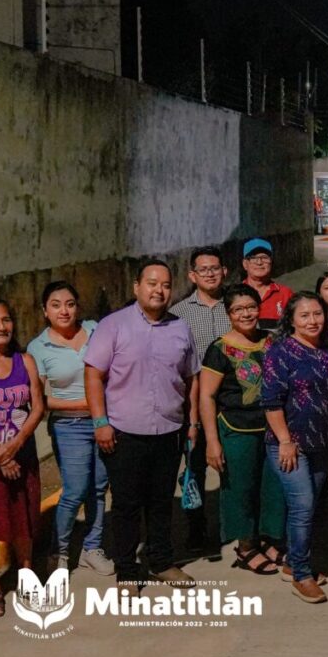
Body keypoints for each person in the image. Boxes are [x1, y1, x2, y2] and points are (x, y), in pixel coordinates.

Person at [84, 259, 200, 591]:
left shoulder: (181, 328)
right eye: (152, 283)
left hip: (169, 430)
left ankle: (161, 562)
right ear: (137, 287)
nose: (159, 290)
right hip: (123, 433)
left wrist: (192, 422)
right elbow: (93, 375)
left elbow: (191, 378)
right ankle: (127, 569)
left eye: (165, 284)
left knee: (161, 502)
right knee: (126, 505)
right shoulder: (113, 325)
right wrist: (100, 422)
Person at [200, 284, 286, 577]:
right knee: (240, 489)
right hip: (237, 428)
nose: (246, 314)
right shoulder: (219, 349)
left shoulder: (271, 341)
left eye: (251, 307)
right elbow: (207, 396)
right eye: (238, 309)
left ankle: (269, 540)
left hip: (272, 427)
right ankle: (246, 546)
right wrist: (212, 441)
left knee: (272, 487)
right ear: (229, 314)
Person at [27, 282, 113, 575]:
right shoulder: (38, 347)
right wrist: (87, 403)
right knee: (75, 490)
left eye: (70, 304)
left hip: (104, 422)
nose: (64, 311)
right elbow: (39, 400)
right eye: (55, 305)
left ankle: (92, 548)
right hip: (68, 426)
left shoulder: (95, 330)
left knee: (99, 488)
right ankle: (59, 552)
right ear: (45, 311)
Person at [262, 292, 328, 604]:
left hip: (322, 442)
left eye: (317, 314)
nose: (313, 321)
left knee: (312, 505)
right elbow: (271, 402)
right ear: (292, 320)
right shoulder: (280, 352)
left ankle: (291, 562)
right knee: (303, 505)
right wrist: (285, 440)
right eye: (305, 315)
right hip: (289, 444)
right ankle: (301, 574)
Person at [171, 245, 232, 553]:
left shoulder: (235, 305)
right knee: (195, 468)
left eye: (215, 268)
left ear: (225, 271)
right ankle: (196, 530)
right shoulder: (179, 313)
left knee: (233, 468)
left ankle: (233, 528)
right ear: (192, 275)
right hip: (195, 405)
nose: (210, 274)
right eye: (203, 270)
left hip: (232, 405)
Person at [0, 300, 45, 618]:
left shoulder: (26, 361)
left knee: (24, 519)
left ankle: (26, 576)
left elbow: (37, 407)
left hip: (23, 455)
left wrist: (17, 444)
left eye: (6, 319)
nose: (1, 326)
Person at [242, 238, 294, 330]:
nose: (259, 262)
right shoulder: (235, 294)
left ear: (271, 262)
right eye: (253, 258)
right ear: (245, 264)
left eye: (264, 258)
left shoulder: (286, 294)